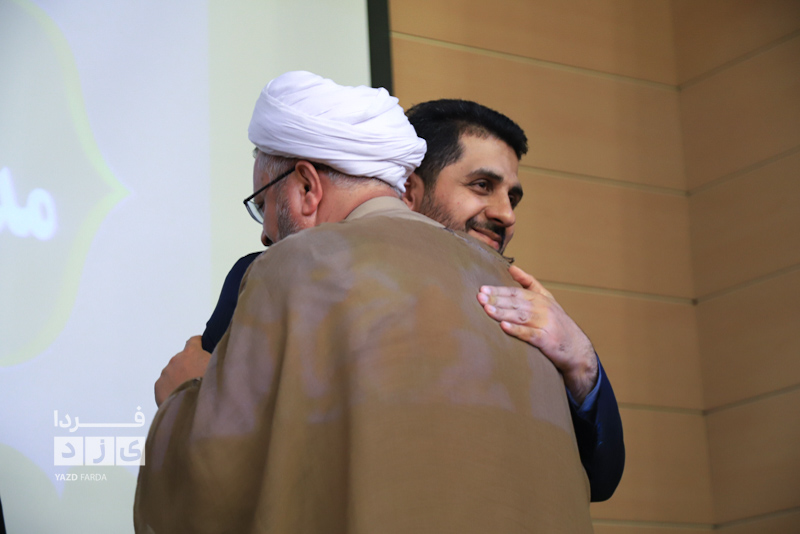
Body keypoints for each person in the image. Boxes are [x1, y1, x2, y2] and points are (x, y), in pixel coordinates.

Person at [135, 71, 594, 533]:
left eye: (264, 204)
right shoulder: (525, 300)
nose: (265, 233)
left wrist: (180, 398)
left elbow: (213, 493)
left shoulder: (290, 267)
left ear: (307, 187)